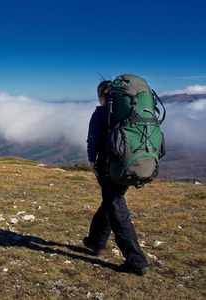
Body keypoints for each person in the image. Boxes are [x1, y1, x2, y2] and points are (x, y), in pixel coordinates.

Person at [83, 80, 150, 276]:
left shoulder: (101, 113)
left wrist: (91, 162)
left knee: (116, 206)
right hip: (131, 164)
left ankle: (136, 261)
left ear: (100, 96)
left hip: (109, 167)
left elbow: (93, 139)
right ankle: (96, 242)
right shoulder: (132, 114)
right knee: (111, 201)